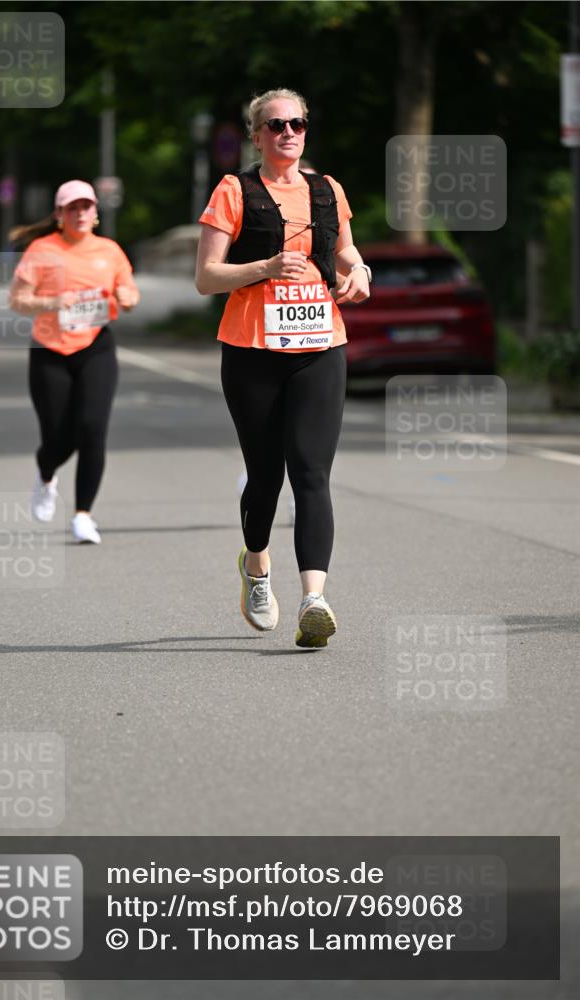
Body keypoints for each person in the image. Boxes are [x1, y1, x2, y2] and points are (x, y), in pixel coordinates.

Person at [195, 89, 371, 648]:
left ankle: (314, 599)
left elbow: (343, 251)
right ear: (256, 135)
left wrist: (359, 269)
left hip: (321, 344)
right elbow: (206, 277)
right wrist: (266, 266)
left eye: (296, 124)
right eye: (275, 126)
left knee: (312, 472)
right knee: (266, 474)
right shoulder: (234, 191)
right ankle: (255, 564)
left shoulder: (327, 191)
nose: (287, 133)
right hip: (252, 351)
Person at [9, 180, 140, 544]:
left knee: (92, 427)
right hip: (50, 349)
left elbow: (129, 291)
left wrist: (125, 296)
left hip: (95, 346)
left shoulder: (109, 250)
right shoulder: (41, 249)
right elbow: (18, 300)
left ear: (96, 213)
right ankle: (46, 473)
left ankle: (83, 514)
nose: (80, 213)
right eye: (72, 207)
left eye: (87, 207)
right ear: (59, 214)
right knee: (57, 435)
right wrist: (53, 303)